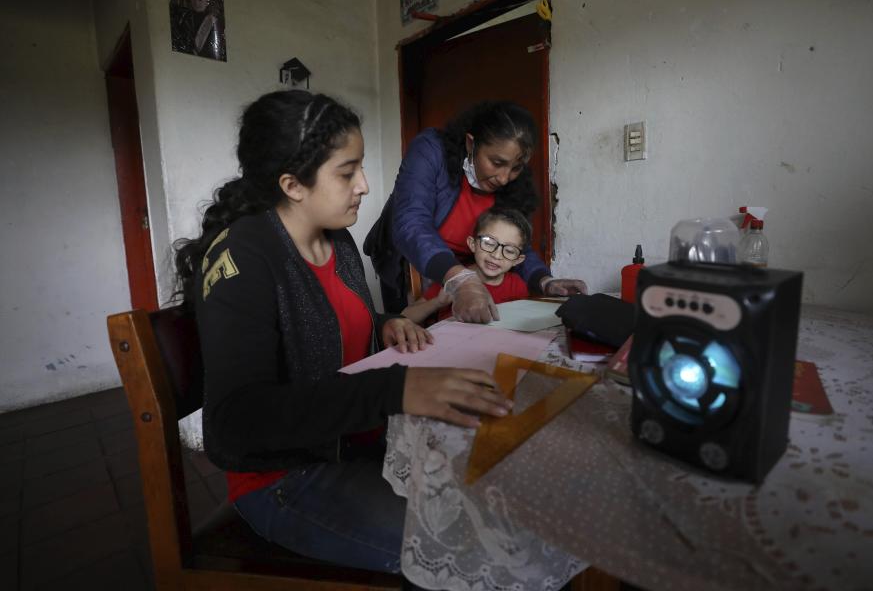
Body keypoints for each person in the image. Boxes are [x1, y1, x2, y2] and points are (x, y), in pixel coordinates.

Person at [172, 90, 512, 575]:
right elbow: (234, 420)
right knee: (465, 542)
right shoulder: (246, 257)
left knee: (493, 492)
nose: (365, 186)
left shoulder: (337, 240)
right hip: (286, 478)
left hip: (353, 445)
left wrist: (386, 324)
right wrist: (397, 389)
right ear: (293, 184)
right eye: (348, 172)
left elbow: (326, 324)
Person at [364, 101, 587, 323]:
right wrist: (459, 277)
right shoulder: (431, 150)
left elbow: (516, 245)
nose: (504, 178)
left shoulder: (512, 188)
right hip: (407, 261)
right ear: (471, 144)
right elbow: (411, 223)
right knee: (406, 336)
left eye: (516, 168)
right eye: (496, 162)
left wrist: (544, 280)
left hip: (466, 273)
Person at [402, 207, 531, 324]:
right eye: (489, 243)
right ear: (472, 244)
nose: (496, 256)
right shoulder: (455, 279)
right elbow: (405, 316)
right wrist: (437, 302)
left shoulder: (517, 286)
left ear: (517, 260)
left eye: (509, 251)